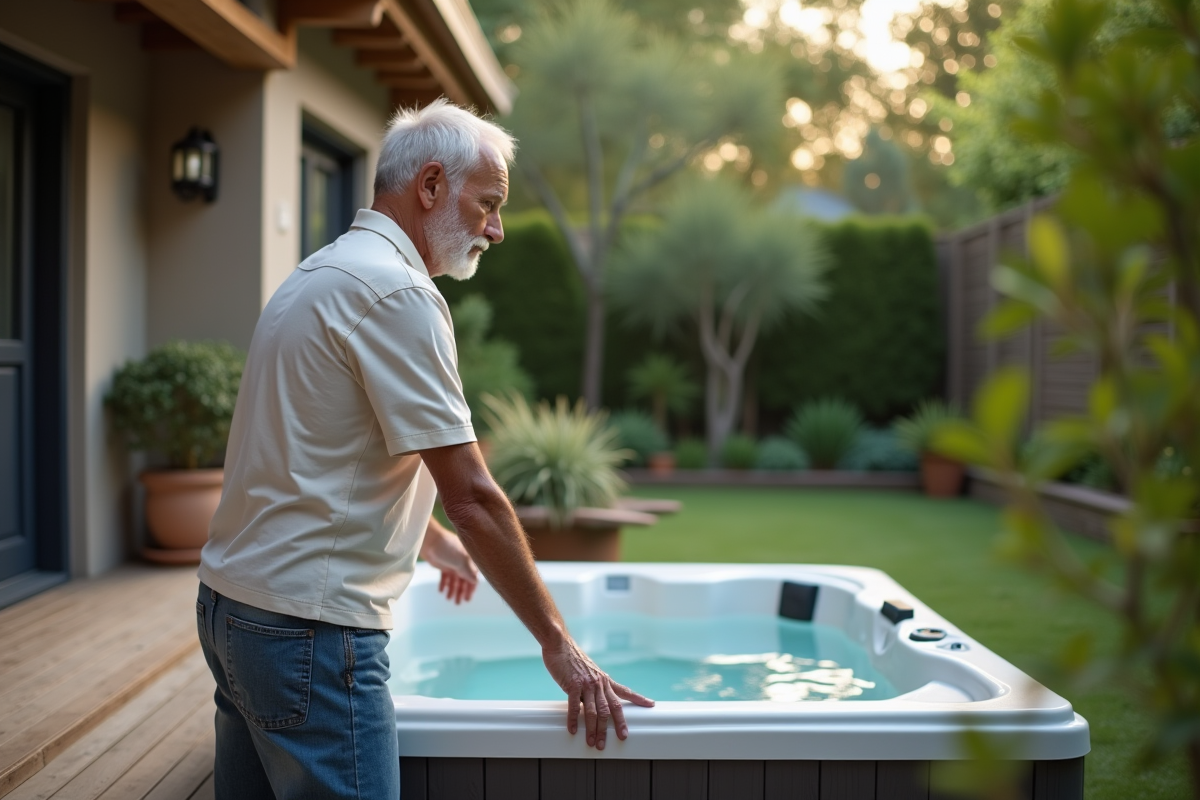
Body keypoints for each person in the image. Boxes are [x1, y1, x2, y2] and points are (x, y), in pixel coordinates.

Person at [194, 99, 654, 800]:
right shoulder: (397, 292)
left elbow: (311, 458)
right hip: (309, 633)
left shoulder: (320, 273)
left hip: (235, 610)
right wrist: (559, 644)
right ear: (431, 186)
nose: (496, 231)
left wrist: (429, 541)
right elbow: (473, 494)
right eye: (489, 204)